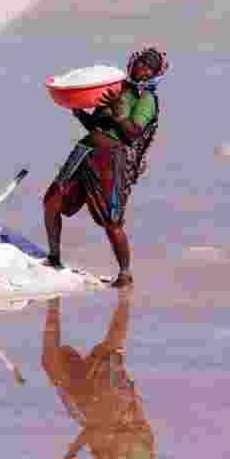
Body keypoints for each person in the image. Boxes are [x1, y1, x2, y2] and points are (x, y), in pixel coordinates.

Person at [43, 48, 168, 288]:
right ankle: (53, 257)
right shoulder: (116, 90)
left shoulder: (146, 100)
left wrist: (119, 114)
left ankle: (124, 273)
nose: (140, 69)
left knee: (112, 220)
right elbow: (97, 126)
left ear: (153, 74)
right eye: (139, 63)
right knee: (52, 201)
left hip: (112, 159)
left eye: (147, 68)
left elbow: (131, 133)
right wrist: (80, 113)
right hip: (86, 151)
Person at [40, 292, 163, 459]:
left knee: (53, 364)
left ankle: (53, 302)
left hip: (93, 407)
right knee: (111, 349)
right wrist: (72, 455)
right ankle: (125, 296)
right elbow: (107, 430)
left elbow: (95, 431)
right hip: (113, 401)